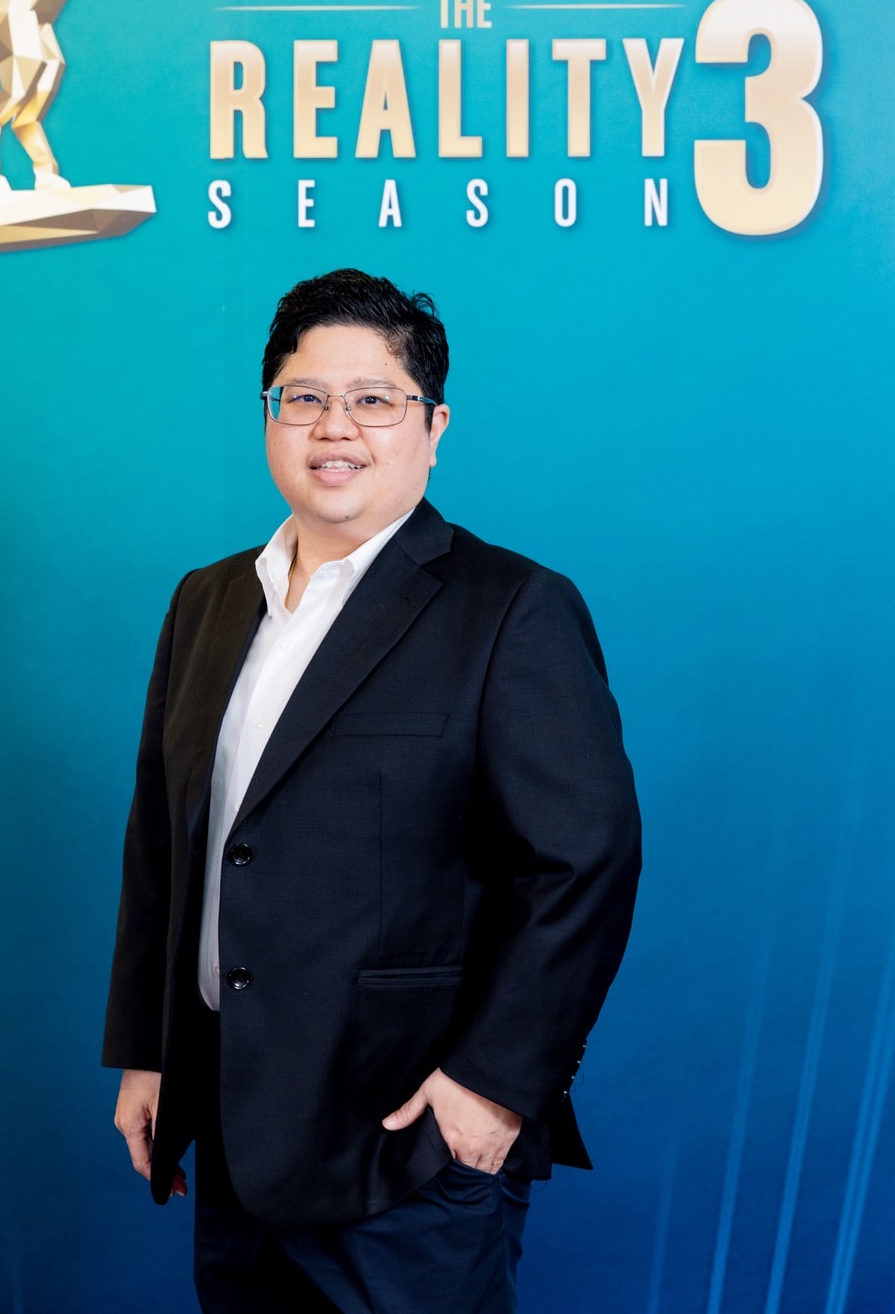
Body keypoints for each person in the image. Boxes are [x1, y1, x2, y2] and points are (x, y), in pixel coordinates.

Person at [103, 269, 641, 1313]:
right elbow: (163, 842)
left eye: (373, 399)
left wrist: (493, 1086)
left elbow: (584, 862)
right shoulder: (207, 600)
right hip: (232, 1116)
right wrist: (149, 1052)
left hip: (408, 1142)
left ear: (433, 427)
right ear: (269, 415)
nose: (333, 426)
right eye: (303, 397)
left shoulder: (510, 607)